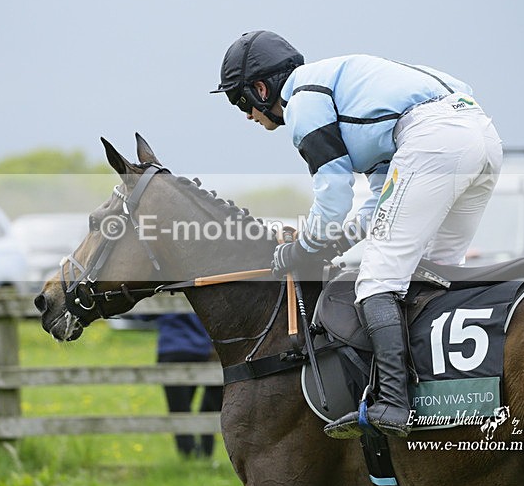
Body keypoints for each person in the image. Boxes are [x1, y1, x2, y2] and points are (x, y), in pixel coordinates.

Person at [212, 31, 502, 439]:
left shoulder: (302, 103)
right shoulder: (346, 96)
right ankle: (450, 395)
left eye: (240, 101)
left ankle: (393, 404)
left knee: (377, 280)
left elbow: (332, 200)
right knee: (433, 273)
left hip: (435, 140)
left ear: (261, 89)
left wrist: (301, 249)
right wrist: (332, 243)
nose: (246, 115)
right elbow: (377, 204)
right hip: (480, 136)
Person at [154, 313, 222, 458]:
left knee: (180, 409)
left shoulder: (164, 291)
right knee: (210, 402)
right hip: (203, 349)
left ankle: (189, 454)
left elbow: (143, 315)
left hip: (172, 349)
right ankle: (205, 451)